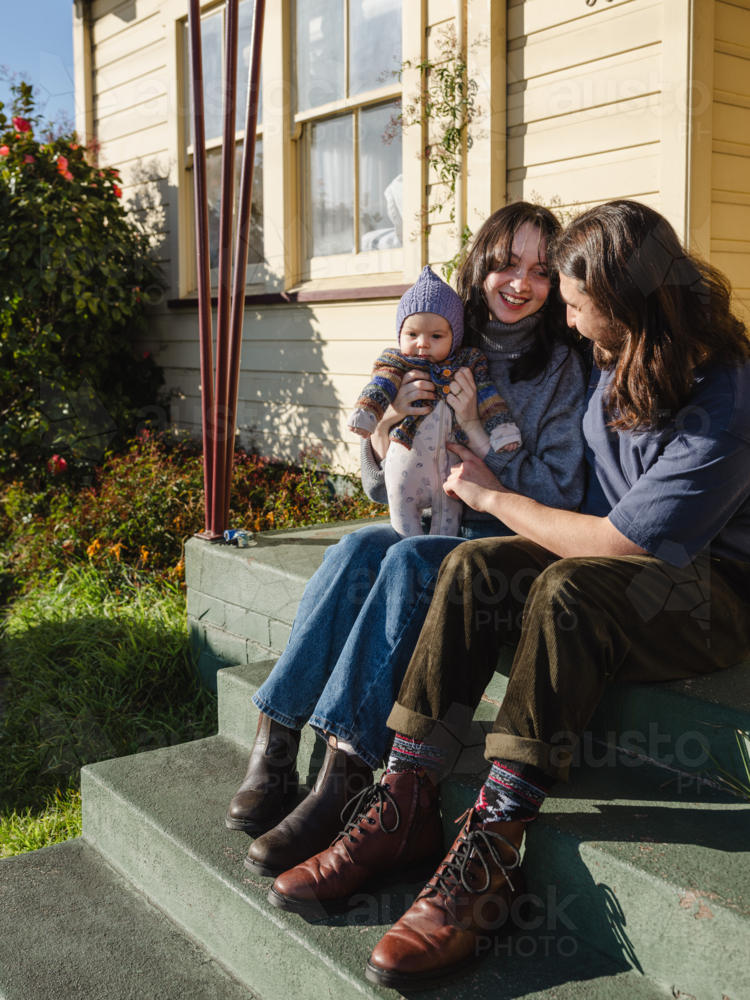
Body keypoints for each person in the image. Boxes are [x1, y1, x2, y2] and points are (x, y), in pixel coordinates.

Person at [265, 200, 750, 991]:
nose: (560, 305)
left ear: (623, 302)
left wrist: (492, 498)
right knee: (473, 567)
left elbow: (624, 545)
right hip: (617, 566)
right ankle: (406, 800)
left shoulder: (727, 398)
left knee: (563, 587)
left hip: (709, 594)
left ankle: (492, 844)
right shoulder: (612, 350)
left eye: (573, 297)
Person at [226, 201, 587, 885]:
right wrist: (384, 428)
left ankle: (344, 774)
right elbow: (381, 483)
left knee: (405, 558)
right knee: (356, 549)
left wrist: (486, 458)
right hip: (427, 520)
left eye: (540, 271)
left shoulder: (563, 370)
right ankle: (275, 746)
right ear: (480, 265)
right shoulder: (436, 338)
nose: (520, 283)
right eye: (507, 263)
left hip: (506, 535)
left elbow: (564, 491)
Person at [347, 264, 522, 538]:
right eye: (412, 334)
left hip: (451, 476)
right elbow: (378, 388)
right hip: (403, 470)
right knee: (400, 539)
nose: (422, 344)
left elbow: (489, 397)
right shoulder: (396, 365)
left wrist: (501, 428)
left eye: (436, 336)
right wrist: (372, 416)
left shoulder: (467, 365)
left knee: (445, 534)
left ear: (455, 338)